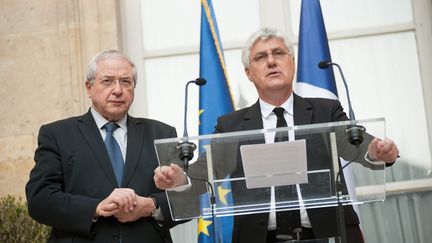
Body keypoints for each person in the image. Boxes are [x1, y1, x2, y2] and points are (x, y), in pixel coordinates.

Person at [154, 27, 399, 243]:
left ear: (291, 62)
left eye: (278, 53)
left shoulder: (325, 111)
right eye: (261, 57)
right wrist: (180, 179)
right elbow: (207, 172)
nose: (271, 62)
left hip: (328, 234)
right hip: (260, 238)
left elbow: (357, 147)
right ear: (249, 73)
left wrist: (379, 152)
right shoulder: (232, 125)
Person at [26, 50, 183, 243]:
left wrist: (151, 206)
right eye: (108, 81)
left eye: (126, 82)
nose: (118, 90)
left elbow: (187, 200)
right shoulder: (58, 135)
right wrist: (96, 208)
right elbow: (40, 199)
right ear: (89, 87)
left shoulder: (161, 133)